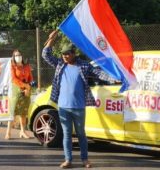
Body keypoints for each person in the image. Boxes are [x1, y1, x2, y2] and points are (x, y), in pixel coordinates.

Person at [43, 30, 117, 169]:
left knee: (81, 134)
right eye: (63, 54)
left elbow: (99, 73)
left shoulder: (83, 65)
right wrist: (51, 39)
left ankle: (85, 160)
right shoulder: (60, 64)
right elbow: (45, 55)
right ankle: (68, 160)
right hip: (63, 107)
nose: (65, 56)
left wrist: (114, 78)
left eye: (67, 54)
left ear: (73, 53)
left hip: (79, 107)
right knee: (66, 135)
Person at [5, 49, 34, 139]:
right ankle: (8, 132)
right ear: (13, 57)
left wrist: (28, 87)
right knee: (12, 111)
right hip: (15, 91)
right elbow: (14, 79)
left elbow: (31, 78)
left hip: (26, 91)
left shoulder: (27, 66)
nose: (18, 57)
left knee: (23, 113)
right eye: (16, 55)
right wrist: (24, 86)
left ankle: (23, 131)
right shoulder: (13, 67)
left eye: (19, 55)